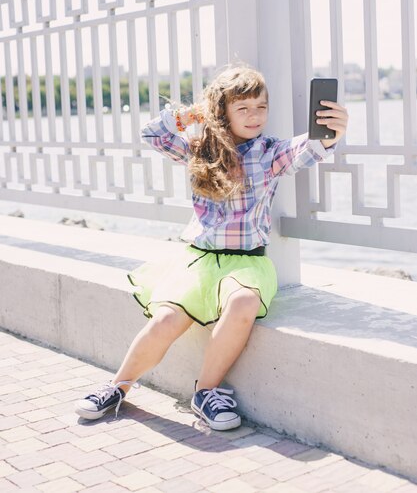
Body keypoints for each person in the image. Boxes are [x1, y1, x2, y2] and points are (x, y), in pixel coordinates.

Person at [75, 64, 348, 430]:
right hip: (198, 261)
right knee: (168, 319)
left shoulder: (268, 153)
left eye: (261, 107)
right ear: (223, 112)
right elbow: (153, 134)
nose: (254, 116)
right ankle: (117, 386)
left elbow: (308, 147)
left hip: (246, 264)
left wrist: (333, 132)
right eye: (243, 108)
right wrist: (196, 114)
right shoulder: (200, 148)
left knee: (244, 303)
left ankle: (205, 393)